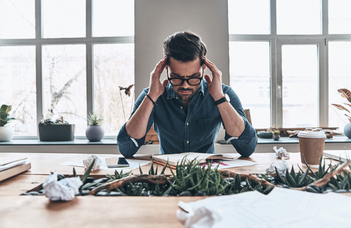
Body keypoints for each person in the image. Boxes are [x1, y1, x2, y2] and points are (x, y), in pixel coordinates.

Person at [117, 31, 257, 157]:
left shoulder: (223, 93)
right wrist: (152, 97)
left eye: (194, 77)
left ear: (204, 68)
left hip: (207, 177)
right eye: (176, 77)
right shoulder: (151, 95)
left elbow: (247, 147)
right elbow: (126, 147)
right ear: (166, 69)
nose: (185, 85)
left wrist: (219, 99)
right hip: (167, 176)